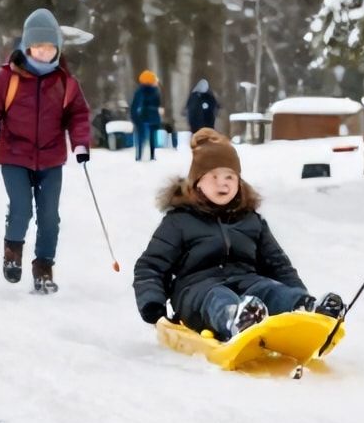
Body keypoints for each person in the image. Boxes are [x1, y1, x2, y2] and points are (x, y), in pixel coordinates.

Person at [132, 129, 344, 341]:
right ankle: (235, 319)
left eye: (229, 177)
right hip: (196, 291)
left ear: (239, 182)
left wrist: (298, 293)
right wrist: (153, 303)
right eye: (213, 176)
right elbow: (151, 266)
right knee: (218, 297)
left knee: (269, 289)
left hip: (247, 285)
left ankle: (308, 311)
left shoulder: (251, 221)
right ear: (197, 183)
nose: (222, 183)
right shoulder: (179, 221)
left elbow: (278, 265)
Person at [0, 9, 91, 293]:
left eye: (49, 47)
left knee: (49, 217)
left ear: (57, 47)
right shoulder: (7, 79)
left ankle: (43, 267)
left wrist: (80, 143)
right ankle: (12, 253)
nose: (44, 52)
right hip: (14, 156)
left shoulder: (64, 82)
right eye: (38, 46)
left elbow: (79, 115)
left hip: (51, 157)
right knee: (21, 209)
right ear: (27, 46)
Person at [130, 70, 163, 160]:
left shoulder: (145, 91)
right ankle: (144, 156)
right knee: (145, 137)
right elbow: (138, 106)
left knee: (148, 137)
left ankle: (145, 155)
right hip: (145, 118)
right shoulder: (145, 92)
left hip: (147, 118)